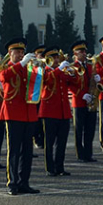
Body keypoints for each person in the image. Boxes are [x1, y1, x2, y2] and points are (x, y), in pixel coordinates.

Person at [0, 38, 41, 195]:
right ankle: (12, 182)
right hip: (13, 113)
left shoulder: (27, 68)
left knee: (27, 151)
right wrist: (22, 64)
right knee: (14, 150)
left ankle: (24, 182)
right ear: (10, 53)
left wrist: (39, 66)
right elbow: (3, 78)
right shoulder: (5, 67)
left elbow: (37, 84)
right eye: (17, 52)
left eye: (22, 52)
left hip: (28, 113)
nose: (20, 55)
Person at [39, 47, 77, 177]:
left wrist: (72, 73)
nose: (56, 60)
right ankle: (50, 168)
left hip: (63, 111)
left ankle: (59, 167)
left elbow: (74, 82)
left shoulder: (61, 71)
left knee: (62, 142)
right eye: (53, 58)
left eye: (57, 58)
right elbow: (47, 81)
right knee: (49, 142)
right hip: (49, 111)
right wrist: (59, 69)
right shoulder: (44, 71)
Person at [70, 40, 98, 163]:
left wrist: (97, 80)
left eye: (85, 51)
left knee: (90, 129)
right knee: (79, 130)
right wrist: (82, 95)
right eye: (81, 51)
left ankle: (88, 153)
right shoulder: (73, 67)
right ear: (75, 54)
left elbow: (92, 82)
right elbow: (70, 85)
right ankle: (80, 154)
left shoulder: (91, 67)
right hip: (79, 102)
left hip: (91, 101)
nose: (84, 53)